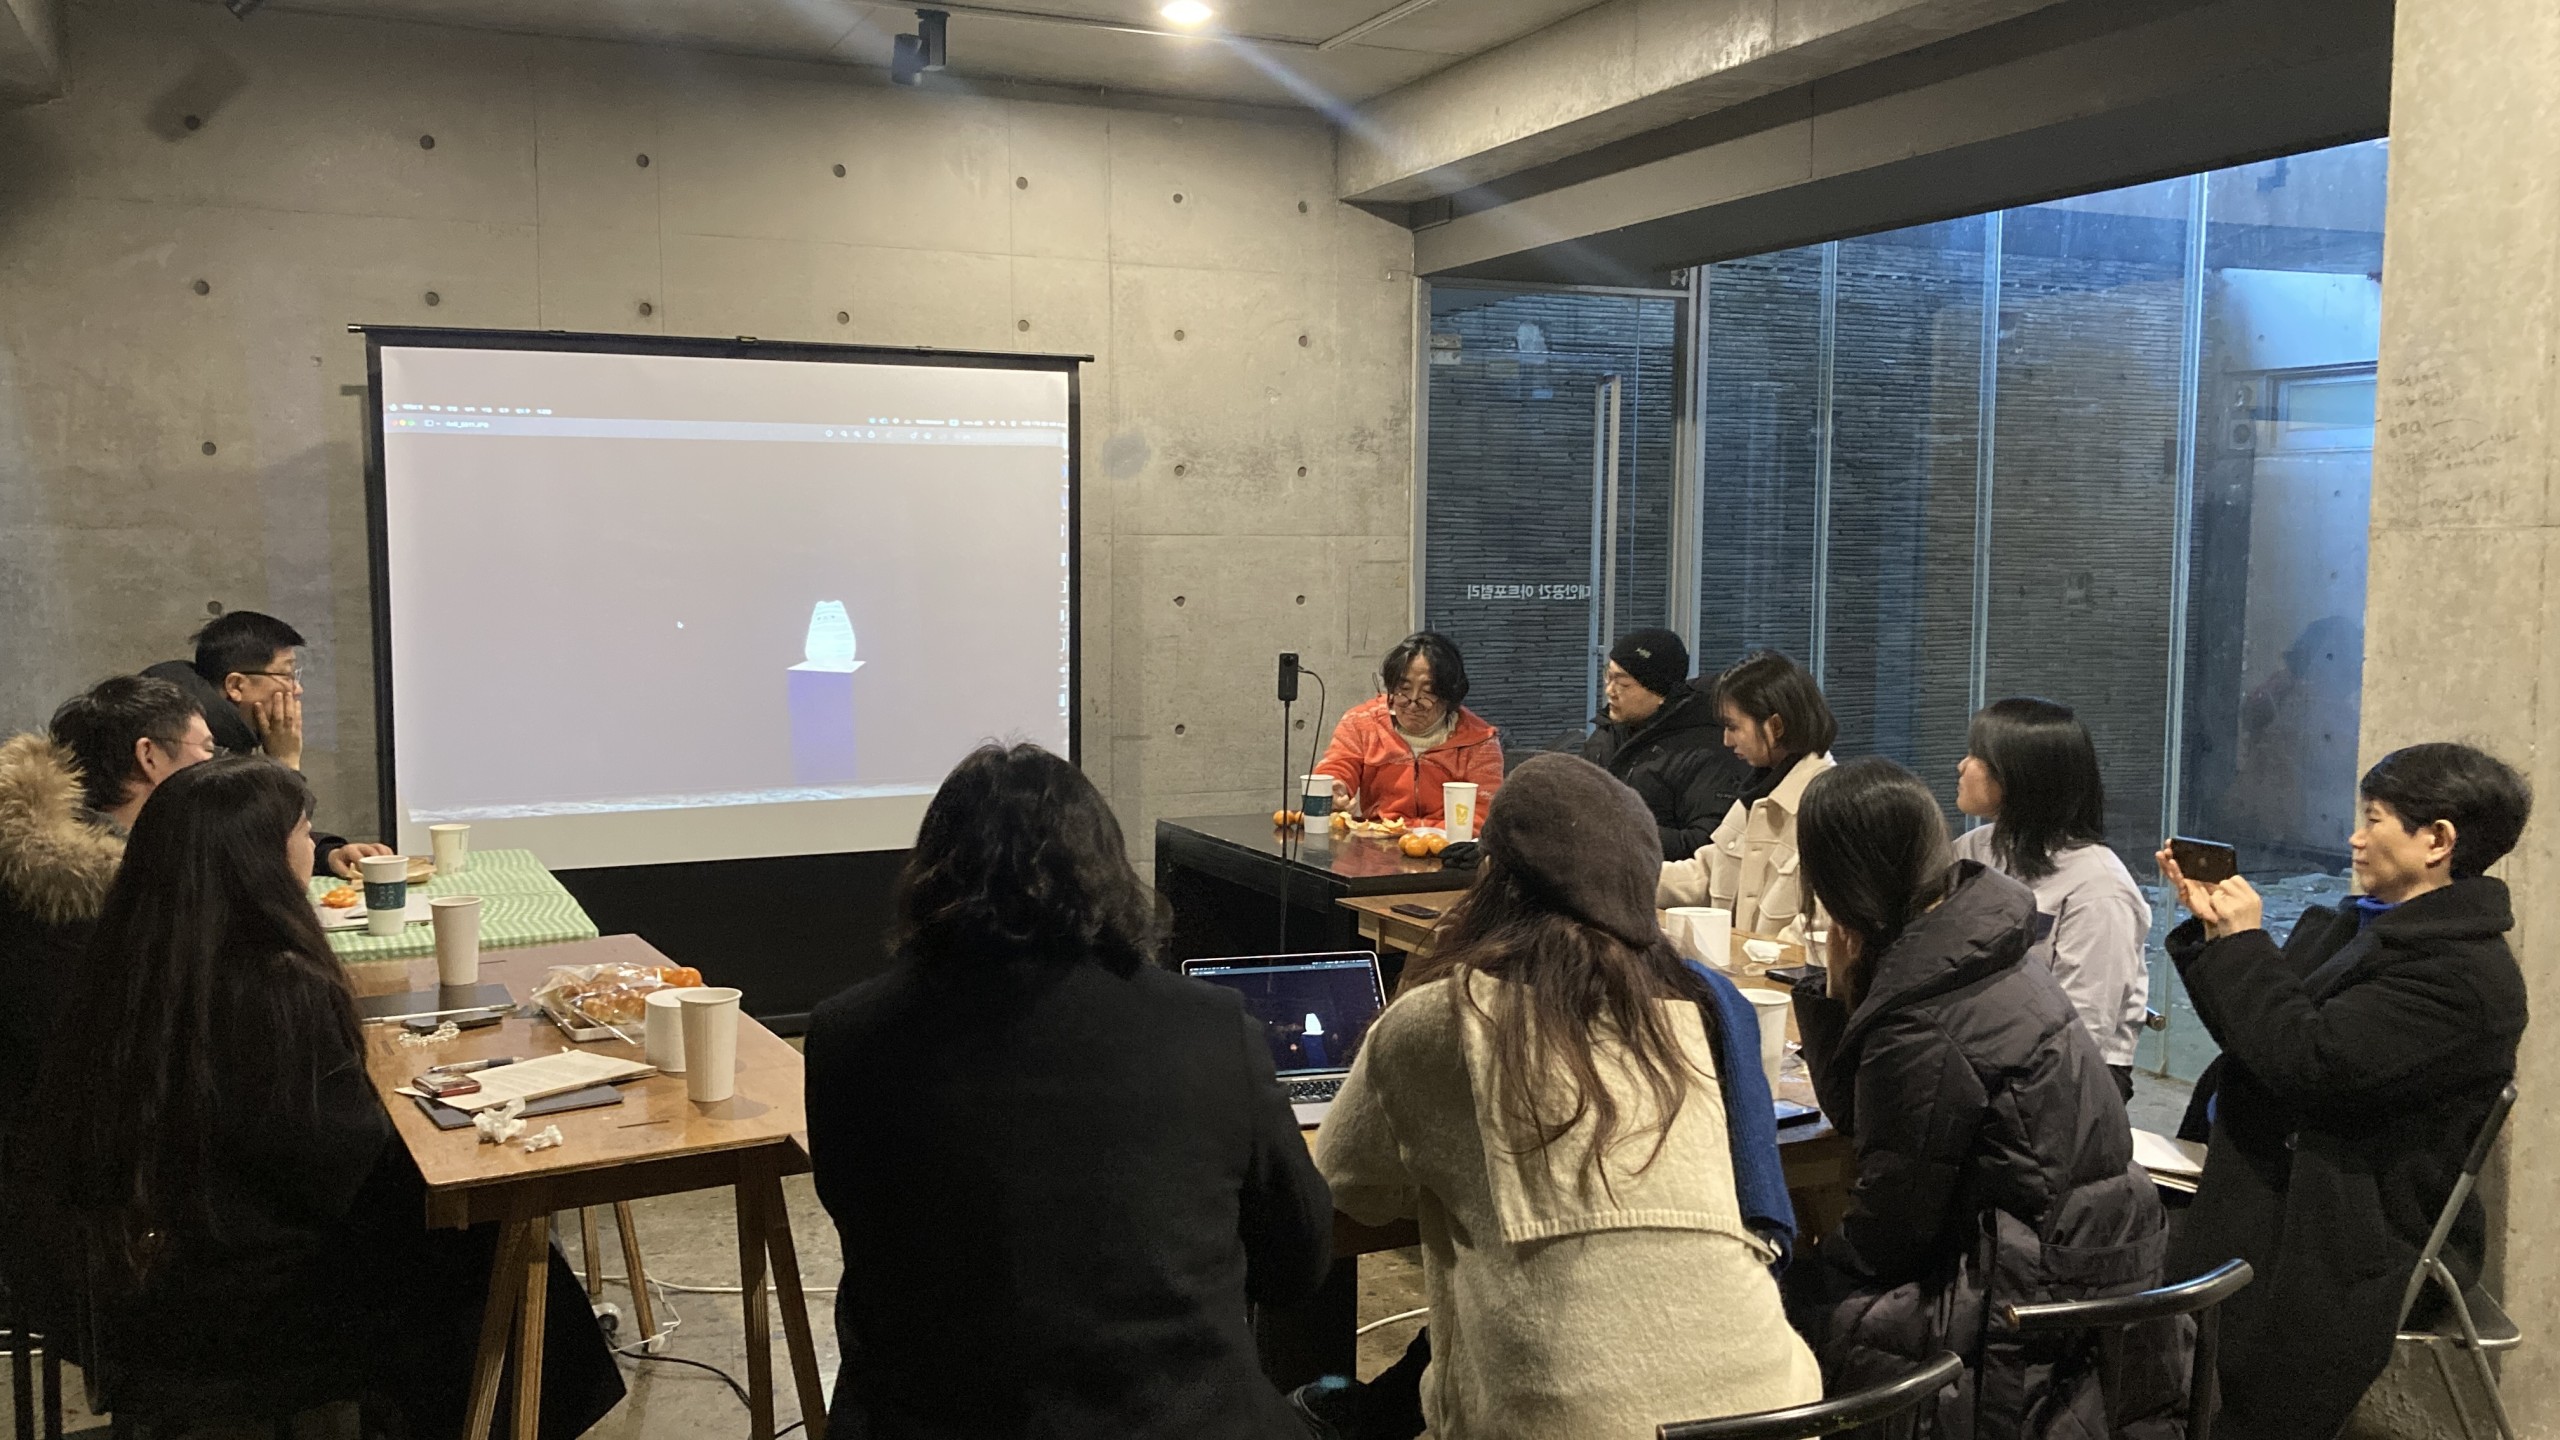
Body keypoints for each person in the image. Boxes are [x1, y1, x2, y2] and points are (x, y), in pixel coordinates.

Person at [17, 757, 622, 1433]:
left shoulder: (123, 965)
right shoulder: (272, 986)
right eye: (304, 832)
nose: (313, 848)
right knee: (502, 1243)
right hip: (256, 1299)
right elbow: (341, 1170)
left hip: (136, 1281)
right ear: (264, 859)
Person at [805, 743, 1333, 1439]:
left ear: (930, 875)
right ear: (1105, 869)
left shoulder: (845, 1035)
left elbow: (864, 1228)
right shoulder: (1211, 1027)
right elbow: (1297, 1264)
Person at [1312, 754, 1820, 1439]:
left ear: (1492, 882)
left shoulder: (1446, 1018)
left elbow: (1347, 1184)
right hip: (1778, 1406)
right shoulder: (1702, 1011)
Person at [1783, 758, 2179, 1434]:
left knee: (1780, 1301)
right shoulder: (1976, 943)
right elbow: (1865, 1122)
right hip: (2100, 1264)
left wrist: (1798, 1272)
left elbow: (1890, 1234)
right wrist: (1835, 990)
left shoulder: (1922, 1017)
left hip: (2029, 1303)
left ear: (1839, 881)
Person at [2159, 742, 2532, 1440]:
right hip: (2264, 1177)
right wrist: (2217, 935)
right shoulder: (2357, 924)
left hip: (2337, 1230)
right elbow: (2256, 1038)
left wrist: (2244, 944)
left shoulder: (2462, 977)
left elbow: (2308, 1065)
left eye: (2375, 819)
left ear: (2437, 841)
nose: (2355, 838)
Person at [0, 676, 213, 1107]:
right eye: (208, 749)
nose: (216, 765)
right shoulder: (105, 888)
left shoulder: (33, 860)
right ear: (149, 756)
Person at [1952, 698, 2152, 1100]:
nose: (1961, 766)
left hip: (2074, 1075)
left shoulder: (2099, 887)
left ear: (2018, 777)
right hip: (1980, 1049)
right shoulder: (1973, 848)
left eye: (1977, 757)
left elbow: (2085, 1029)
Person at [144, 609, 392, 879]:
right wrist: (286, 763)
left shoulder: (229, 733)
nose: (297, 689)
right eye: (287, 675)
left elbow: (251, 831)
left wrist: (328, 855)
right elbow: (257, 852)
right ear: (236, 686)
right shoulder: (192, 745)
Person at [1658, 650, 1836, 943]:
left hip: (1781, 971)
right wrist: (1625, 876)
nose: (1726, 740)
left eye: (1733, 727)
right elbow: (1706, 875)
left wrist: (1756, 957)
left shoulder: (1831, 807)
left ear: (1775, 726)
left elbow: (1823, 922)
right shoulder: (1757, 791)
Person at [1582, 628, 1753, 861]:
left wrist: (1619, 833)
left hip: (1663, 880)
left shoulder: (1706, 751)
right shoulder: (1606, 735)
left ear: (1660, 693)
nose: (1610, 690)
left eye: (1623, 684)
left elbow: (1707, 845)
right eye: (1608, 676)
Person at [1315, 631, 1503, 826]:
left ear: (1449, 696)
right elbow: (1338, 765)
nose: (1412, 703)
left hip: (1448, 842)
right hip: (1377, 838)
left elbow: (1485, 817)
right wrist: (1334, 788)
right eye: (1403, 690)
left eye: (1428, 692)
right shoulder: (1362, 723)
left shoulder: (1480, 741)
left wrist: (1421, 834)